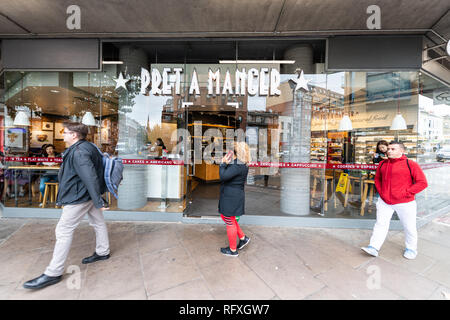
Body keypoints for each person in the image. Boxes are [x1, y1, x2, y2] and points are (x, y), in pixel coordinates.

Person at [23, 122, 111, 290]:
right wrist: (97, 198)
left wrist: (98, 200)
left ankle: (53, 272)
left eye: (65, 132)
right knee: (98, 222)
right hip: (87, 194)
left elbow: (90, 176)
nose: (63, 134)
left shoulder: (78, 152)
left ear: (74, 135)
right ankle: (103, 251)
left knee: (63, 230)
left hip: (79, 196)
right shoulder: (89, 146)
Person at [361, 141, 428, 260]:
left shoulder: (410, 164)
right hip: (385, 201)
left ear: (402, 151)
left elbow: (422, 183)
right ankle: (373, 247)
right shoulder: (382, 164)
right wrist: (382, 193)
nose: (389, 151)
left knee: (409, 226)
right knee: (380, 224)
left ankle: (411, 248)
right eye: (389, 149)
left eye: (393, 149)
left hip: (405, 202)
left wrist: (406, 193)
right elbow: (378, 180)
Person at [218, 141, 251, 257]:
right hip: (234, 195)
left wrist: (222, 164)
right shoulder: (242, 163)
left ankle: (233, 250)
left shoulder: (238, 165)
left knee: (229, 220)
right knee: (227, 217)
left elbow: (223, 176)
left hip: (231, 196)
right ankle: (243, 238)